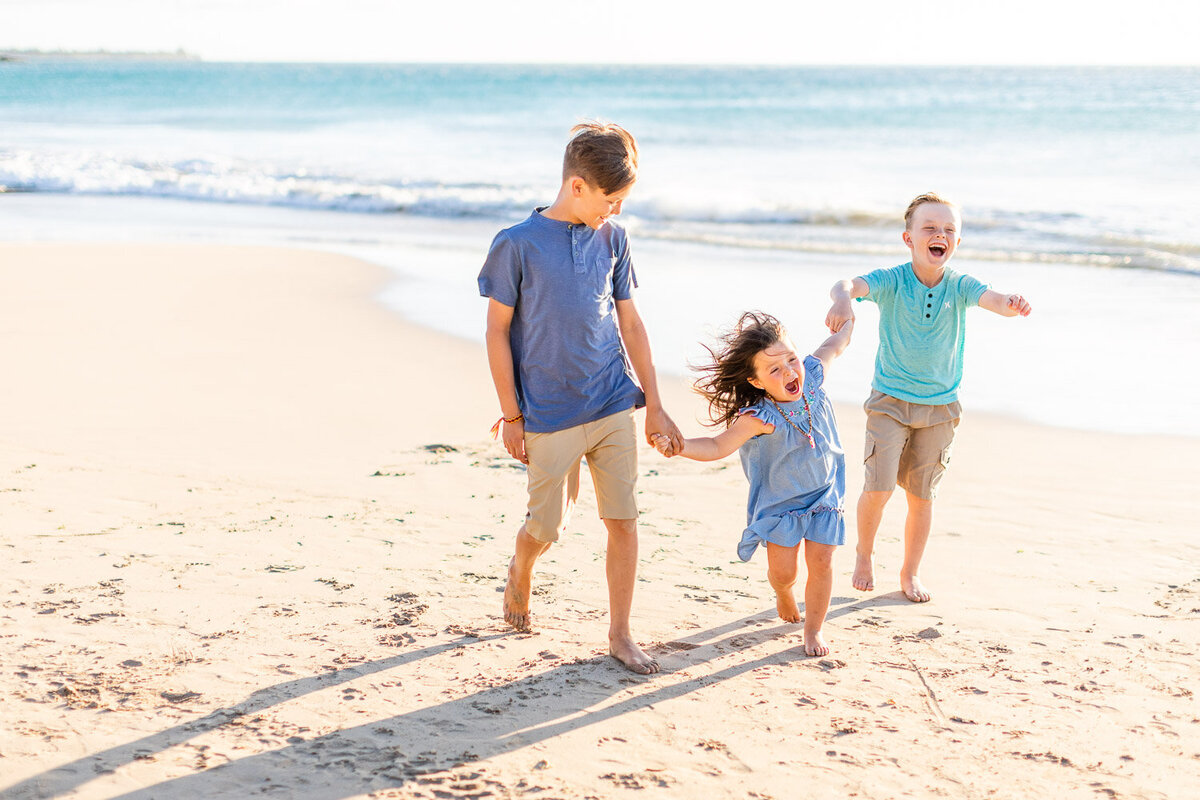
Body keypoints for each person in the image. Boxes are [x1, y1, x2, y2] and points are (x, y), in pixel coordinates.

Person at [479, 121, 682, 675]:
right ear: (576, 186)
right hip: (547, 412)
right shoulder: (516, 244)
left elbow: (631, 323)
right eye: (609, 200)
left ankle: (620, 633)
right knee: (548, 527)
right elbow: (497, 332)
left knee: (623, 518)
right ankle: (522, 567)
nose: (614, 211)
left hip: (612, 399)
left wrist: (655, 402)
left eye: (622, 201)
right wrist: (512, 415)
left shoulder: (614, 239)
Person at [825, 192, 1032, 603]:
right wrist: (844, 298)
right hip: (889, 401)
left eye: (949, 230)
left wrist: (1013, 304)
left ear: (957, 242)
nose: (941, 234)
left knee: (922, 497)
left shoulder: (961, 285)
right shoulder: (893, 281)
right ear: (909, 238)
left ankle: (910, 571)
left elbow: (994, 301)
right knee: (879, 487)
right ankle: (864, 554)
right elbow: (846, 283)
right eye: (930, 228)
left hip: (940, 408)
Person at [652, 311, 853, 656]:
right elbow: (717, 445)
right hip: (782, 507)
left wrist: (845, 307)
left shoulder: (814, 379)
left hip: (824, 495)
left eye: (791, 359)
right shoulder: (760, 417)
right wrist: (680, 447)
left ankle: (813, 629)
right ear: (757, 381)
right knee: (783, 571)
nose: (790, 371)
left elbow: (837, 343)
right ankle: (784, 592)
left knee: (821, 563)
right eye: (775, 370)